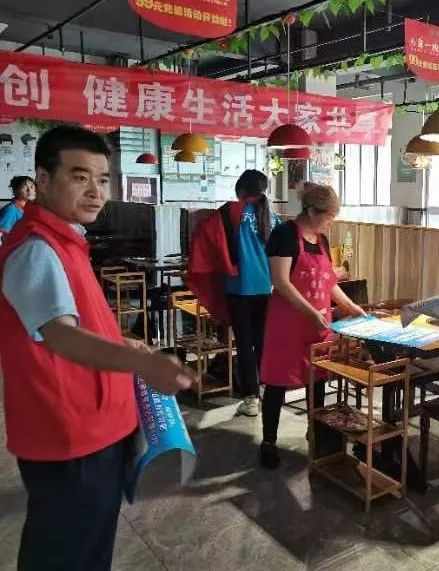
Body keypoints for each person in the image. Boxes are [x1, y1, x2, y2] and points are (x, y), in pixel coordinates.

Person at [0, 125, 196, 571]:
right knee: (67, 553)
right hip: (69, 436)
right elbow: (61, 335)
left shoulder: (66, 240)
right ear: (43, 179)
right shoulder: (36, 249)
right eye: (79, 177)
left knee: (89, 545)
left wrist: (121, 340)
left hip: (95, 428)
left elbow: (77, 321)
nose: (96, 191)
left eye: (103, 179)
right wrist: (142, 362)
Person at [258, 182, 366, 469]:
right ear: (312, 211)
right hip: (288, 324)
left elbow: (328, 281)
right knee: (277, 383)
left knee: (316, 379)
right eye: (328, 217)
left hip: (317, 323)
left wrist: (349, 306)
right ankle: (268, 442)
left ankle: (316, 433)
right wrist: (308, 311)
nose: (330, 223)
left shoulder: (322, 241)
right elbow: (281, 282)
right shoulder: (284, 235)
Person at [187, 169, 280, 417]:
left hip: (238, 288)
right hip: (266, 288)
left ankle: (251, 400)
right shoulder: (271, 217)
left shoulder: (229, 212)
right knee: (263, 342)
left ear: (240, 190)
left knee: (245, 344)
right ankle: (266, 388)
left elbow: (203, 233)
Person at [0, 175, 36, 241]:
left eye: (32, 187)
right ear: (15, 191)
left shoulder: (31, 209)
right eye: (24, 187)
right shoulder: (11, 210)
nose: (29, 190)